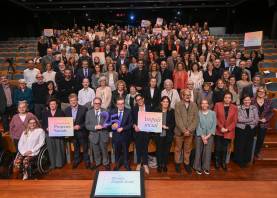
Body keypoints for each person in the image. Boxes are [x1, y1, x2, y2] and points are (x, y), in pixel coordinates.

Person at [174, 89, 199, 174]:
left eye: (189, 95)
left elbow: (196, 119)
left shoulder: (194, 105)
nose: (188, 96)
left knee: (187, 149)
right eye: (186, 95)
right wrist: (184, 130)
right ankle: (177, 163)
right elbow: (178, 119)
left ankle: (186, 164)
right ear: (182, 95)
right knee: (178, 149)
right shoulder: (178, 105)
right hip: (179, 132)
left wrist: (189, 130)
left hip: (190, 132)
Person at [214, 92, 238, 171]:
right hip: (218, 130)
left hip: (228, 132)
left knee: (225, 148)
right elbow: (215, 117)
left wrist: (227, 129)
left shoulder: (234, 107)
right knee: (217, 147)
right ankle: (217, 162)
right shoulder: (217, 105)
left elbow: (234, 121)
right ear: (223, 98)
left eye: (229, 98)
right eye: (226, 97)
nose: (227, 99)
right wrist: (221, 127)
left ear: (231, 99)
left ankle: (223, 163)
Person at [64, 94, 89, 169]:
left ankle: (86, 161)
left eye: (74, 100)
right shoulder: (66, 110)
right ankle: (76, 160)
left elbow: (87, 121)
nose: (73, 102)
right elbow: (65, 122)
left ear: (77, 100)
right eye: (71, 101)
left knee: (85, 148)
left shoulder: (84, 109)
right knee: (76, 148)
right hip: (72, 133)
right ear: (69, 102)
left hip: (82, 132)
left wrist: (80, 126)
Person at [85, 97, 110, 170]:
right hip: (93, 135)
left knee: (104, 150)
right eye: (95, 103)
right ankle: (98, 162)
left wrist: (104, 126)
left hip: (103, 134)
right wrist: (95, 127)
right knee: (95, 151)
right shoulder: (88, 113)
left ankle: (106, 163)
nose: (97, 105)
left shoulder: (106, 111)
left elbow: (109, 123)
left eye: (98, 103)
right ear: (93, 103)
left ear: (101, 104)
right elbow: (87, 125)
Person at [234, 95, 259, 168]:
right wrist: (251, 119)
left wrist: (248, 121)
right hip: (241, 129)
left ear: (250, 100)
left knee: (249, 145)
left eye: (248, 100)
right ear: (243, 101)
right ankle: (239, 160)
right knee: (240, 145)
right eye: (245, 100)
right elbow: (239, 119)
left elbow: (256, 119)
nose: (247, 101)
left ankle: (246, 160)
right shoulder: (238, 108)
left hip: (251, 129)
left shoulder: (254, 108)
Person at [193, 99, 216, 175]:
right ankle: (198, 167)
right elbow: (197, 125)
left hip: (209, 135)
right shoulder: (198, 113)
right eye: (202, 103)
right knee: (198, 151)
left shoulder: (213, 113)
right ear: (200, 105)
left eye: (206, 103)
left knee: (208, 152)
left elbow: (214, 125)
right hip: (199, 135)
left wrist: (208, 136)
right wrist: (203, 137)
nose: (204, 105)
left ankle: (206, 167)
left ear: (208, 105)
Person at [42, 98, 65, 169]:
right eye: (51, 104)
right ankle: (53, 164)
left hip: (58, 133)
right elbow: (43, 123)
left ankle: (59, 164)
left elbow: (64, 122)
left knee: (59, 148)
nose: (52, 105)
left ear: (57, 105)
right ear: (49, 105)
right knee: (51, 149)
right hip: (48, 133)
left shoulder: (61, 112)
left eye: (54, 104)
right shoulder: (45, 113)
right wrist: (46, 128)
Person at [110, 97, 133, 171]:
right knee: (117, 151)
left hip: (125, 135)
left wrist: (122, 128)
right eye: (119, 104)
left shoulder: (128, 111)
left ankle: (126, 164)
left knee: (126, 151)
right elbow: (110, 123)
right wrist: (112, 125)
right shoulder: (113, 111)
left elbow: (130, 124)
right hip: (116, 135)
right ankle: (117, 164)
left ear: (124, 104)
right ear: (116, 105)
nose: (120, 105)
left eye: (122, 104)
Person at [154, 96, 175, 173]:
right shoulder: (156, 111)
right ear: (161, 102)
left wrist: (167, 127)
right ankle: (159, 165)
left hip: (168, 134)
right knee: (159, 150)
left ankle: (164, 164)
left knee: (166, 151)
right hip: (158, 134)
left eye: (167, 102)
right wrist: (160, 126)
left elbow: (173, 123)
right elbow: (153, 122)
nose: (165, 103)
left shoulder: (172, 111)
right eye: (164, 101)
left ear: (169, 103)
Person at [251, 87, 273, 159]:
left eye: (263, 92)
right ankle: (250, 152)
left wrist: (266, 119)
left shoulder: (268, 101)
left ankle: (256, 152)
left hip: (263, 124)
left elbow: (271, 112)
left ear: (265, 93)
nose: (261, 93)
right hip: (253, 123)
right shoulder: (252, 100)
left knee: (260, 139)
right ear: (257, 92)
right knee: (250, 138)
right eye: (259, 91)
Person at [132, 94, 151, 174]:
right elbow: (132, 120)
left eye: (140, 99)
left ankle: (145, 164)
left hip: (146, 132)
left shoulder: (149, 107)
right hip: (138, 131)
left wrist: (150, 128)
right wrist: (134, 126)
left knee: (145, 148)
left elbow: (152, 119)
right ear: (136, 101)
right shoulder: (134, 109)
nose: (139, 101)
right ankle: (139, 163)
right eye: (137, 100)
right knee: (138, 147)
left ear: (143, 99)